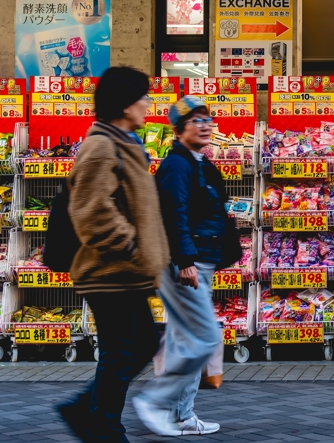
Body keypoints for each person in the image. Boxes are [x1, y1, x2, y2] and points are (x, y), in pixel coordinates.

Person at [57, 67, 169, 443]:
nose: (147, 104)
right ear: (124, 104)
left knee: (142, 345)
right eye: (143, 97)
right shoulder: (101, 145)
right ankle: (104, 428)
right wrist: (129, 245)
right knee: (122, 352)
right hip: (109, 272)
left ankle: (85, 412)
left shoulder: (125, 142)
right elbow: (90, 209)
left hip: (129, 272)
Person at [134, 96, 237, 436]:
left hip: (198, 261)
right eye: (196, 120)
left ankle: (182, 415)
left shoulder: (198, 162)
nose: (205, 125)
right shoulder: (177, 165)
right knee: (205, 339)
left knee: (184, 340)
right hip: (184, 267)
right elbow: (172, 215)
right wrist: (185, 261)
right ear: (178, 130)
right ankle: (155, 401)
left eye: (207, 118)